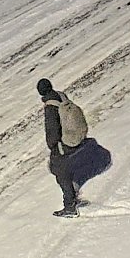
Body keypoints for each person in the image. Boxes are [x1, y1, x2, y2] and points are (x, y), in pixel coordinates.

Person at [38, 78, 87, 217]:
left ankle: (70, 206)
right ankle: (74, 199)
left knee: (61, 173)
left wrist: (52, 146)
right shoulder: (61, 96)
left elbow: (52, 129)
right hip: (73, 138)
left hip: (62, 144)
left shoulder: (51, 105)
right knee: (68, 171)